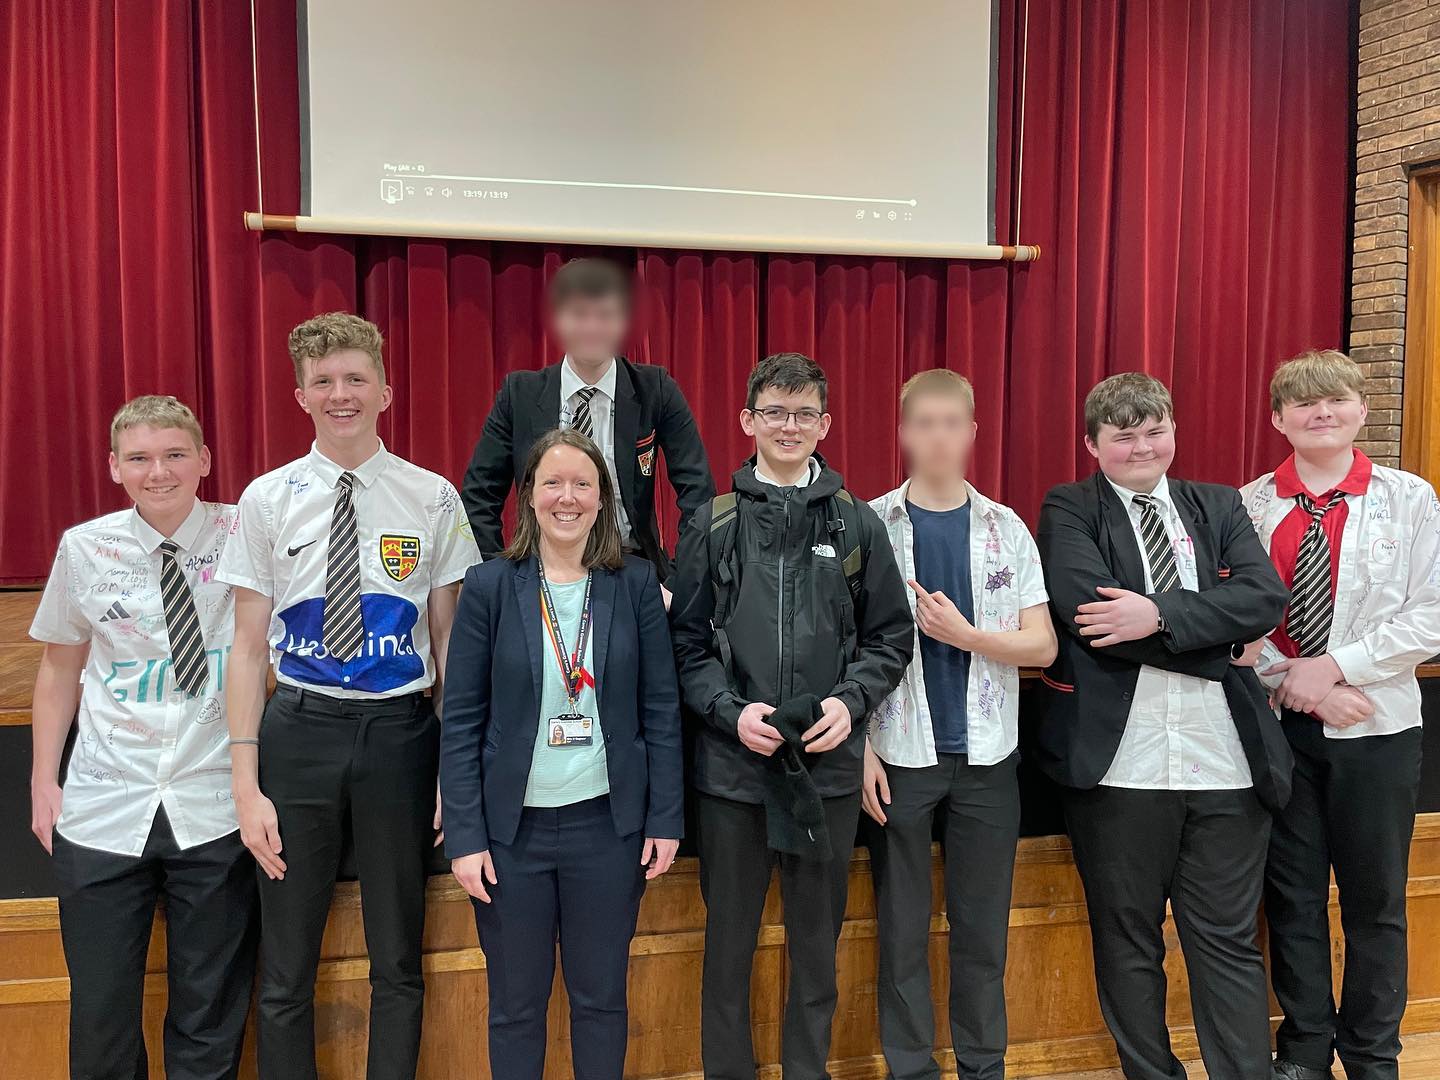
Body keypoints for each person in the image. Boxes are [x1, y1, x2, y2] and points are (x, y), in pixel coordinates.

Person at [216, 312, 480, 1080]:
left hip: (401, 737)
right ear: (300, 395)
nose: (342, 394)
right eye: (324, 381)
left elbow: (452, 644)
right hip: (298, 735)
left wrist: (451, 769)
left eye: (356, 378)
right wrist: (245, 784)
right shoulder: (265, 500)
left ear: (385, 391)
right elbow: (244, 649)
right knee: (286, 964)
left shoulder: (433, 498)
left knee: (398, 958)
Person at [1036, 372, 1292, 1080]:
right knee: (1128, 944)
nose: (1143, 447)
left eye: (1156, 432)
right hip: (1121, 767)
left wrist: (1156, 615)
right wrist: (1220, 644)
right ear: (1093, 445)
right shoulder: (1069, 508)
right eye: (1124, 437)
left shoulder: (1218, 504)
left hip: (1226, 763)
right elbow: (1090, 617)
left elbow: (1264, 598)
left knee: (1228, 942)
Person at [668, 351, 913, 1079]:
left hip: (825, 775)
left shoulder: (857, 524)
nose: (789, 426)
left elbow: (890, 638)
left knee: (816, 952)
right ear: (748, 420)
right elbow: (685, 645)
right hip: (733, 773)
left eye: (804, 413)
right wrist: (728, 711)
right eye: (774, 412)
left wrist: (850, 700)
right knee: (728, 951)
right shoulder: (711, 524)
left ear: (825, 424)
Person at [441, 427, 684, 1080]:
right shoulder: (489, 587)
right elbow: (460, 720)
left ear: (603, 499)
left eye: (582, 484)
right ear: (529, 496)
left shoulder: (635, 584)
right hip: (509, 836)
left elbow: (661, 709)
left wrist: (665, 818)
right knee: (515, 1008)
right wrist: (465, 836)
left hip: (607, 829)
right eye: (552, 483)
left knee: (601, 1002)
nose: (567, 497)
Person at [29, 395, 257, 1080]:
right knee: (101, 1014)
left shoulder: (248, 533)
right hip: (105, 805)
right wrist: (43, 780)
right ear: (114, 467)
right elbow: (59, 667)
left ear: (205, 460)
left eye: (175, 454)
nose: (158, 472)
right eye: (140, 458)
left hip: (214, 803)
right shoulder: (84, 548)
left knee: (209, 1013)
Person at [1240, 350, 1440, 1080]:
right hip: (1278, 727)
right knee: (1291, 897)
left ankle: (1372, 1054)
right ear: (1278, 419)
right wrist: (1305, 684)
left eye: (1335, 400)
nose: (1320, 412)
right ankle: (1302, 1050)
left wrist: (1336, 667)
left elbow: (1432, 615)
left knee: (1375, 901)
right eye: (1303, 402)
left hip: (1378, 730)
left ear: (1360, 410)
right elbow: (1234, 621)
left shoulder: (1410, 499)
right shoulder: (1248, 505)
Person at [862, 370, 1057, 1080]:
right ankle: (910, 1068)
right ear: (903, 432)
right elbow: (843, 650)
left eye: (952, 423)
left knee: (981, 933)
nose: (938, 437)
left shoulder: (1007, 527)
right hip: (898, 754)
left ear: (973, 432)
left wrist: (968, 636)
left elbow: (1043, 646)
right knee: (901, 933)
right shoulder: (868, 525)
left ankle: (983, 1067)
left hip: (988, 760)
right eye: (925, 423)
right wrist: (859, 749)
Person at [461, 256, 714, 584]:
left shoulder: (656, 389)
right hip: (542, 568)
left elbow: (698, 490)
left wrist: (679, 581)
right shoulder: (519, 393)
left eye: (605, 315)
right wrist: (499, 578)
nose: (593, 328)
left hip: (632, 565)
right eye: (579, 314)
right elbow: (479, 495)